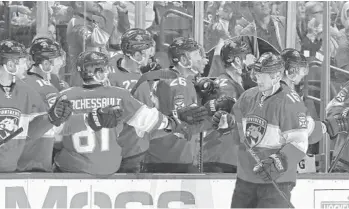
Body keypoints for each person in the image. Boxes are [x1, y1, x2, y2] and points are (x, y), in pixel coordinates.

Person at [53, 50, 208, 176]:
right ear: (98, 74)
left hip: (69, 168)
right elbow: (149, 120)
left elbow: (54, 133)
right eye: (105, 69)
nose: (108, 72)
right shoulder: (118, 95)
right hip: (107, 169)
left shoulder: (65, 95)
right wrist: (175, 121)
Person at [213, 52, 308, 208]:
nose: (258, 78)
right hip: (245, 180)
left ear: (277, 75)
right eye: (257, 73)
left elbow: (300, 142)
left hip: (276, 182)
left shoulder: (290, 102)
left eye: (263, 74)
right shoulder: (247, 97)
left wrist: (280, 161)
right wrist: (226, 124)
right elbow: (238, 134)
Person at [0, 39, 73, 172]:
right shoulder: (44, 89)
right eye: (22, 62)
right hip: (33, 164)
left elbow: (28, 131)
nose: (26, 66)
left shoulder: (23, 87)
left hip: (13, 167)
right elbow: (59, 132)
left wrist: (51, 118)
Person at [144, 37, 211, 173]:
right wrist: (214, 119)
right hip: (173, 158)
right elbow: (183, 126)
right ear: (184, 60)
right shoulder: (180, 83)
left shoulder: (167, 78)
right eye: (197, 54)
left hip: (159, 156)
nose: (203, 58)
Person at [108, 28, 156, 173]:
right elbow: (148, 120)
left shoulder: (109, 63)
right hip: (131, 150)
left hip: (106, 149)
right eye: (148, 51)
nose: (151, 55)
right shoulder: (140, 85)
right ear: (136, 55)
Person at [203, 37, 251, 173]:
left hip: (225, 156)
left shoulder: (232, 82)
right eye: (246, 57)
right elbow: (228, 111)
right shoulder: (226, 85)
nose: (250, 61)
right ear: (237, 61)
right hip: (221, 156)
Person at [16, 38, 65, 172]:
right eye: (58, 59)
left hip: (16, 159)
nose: (61, 63)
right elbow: (59, 129)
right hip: (36, 161)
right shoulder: (47, 89)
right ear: (45, 63)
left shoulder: (20, 80)